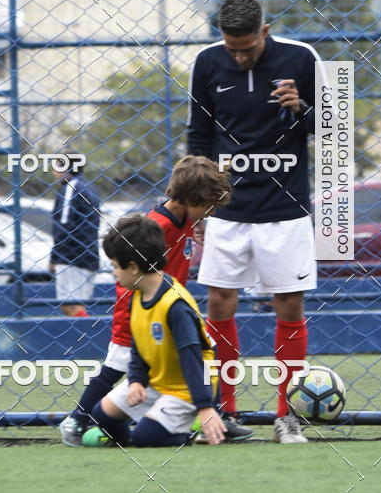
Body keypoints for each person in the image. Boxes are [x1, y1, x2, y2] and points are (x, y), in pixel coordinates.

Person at [187, 0, 326, 444]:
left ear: (265, 32)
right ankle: (225, 411)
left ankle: (287, 416)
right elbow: (199, 133)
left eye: (247, 47)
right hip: (229, 208)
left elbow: (327, 125)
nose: (240, 55)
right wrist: (200, 204)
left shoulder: (301, 58)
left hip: (285, 209)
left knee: (289, 306)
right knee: (219, 304)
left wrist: (300, 108)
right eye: (232, 48)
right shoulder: (207, 63)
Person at [59, 154, 253, 446]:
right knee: (116, 367)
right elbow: (127, 278)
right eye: (208, 207)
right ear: (189, 199)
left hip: (168, 311)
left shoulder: (185, 217)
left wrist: (196, 224)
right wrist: (139, 312)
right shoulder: (157, 226)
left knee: (204, 353)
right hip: (139, 314)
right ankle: (78, 418)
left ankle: (215, 416)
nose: (210, 214)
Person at [88, 215, 227, 447]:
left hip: (188, 390)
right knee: (101, 414)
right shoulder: (138, 295)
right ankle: (125, 441)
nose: (113, 273)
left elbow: (194, 360)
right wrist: (136, 382)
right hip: (156, 383)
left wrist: (205, 407)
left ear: (132, 267)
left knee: (146, 438)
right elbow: (139, 348)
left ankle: (185, 432)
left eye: (114, 266)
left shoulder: (175, 306)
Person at [50, 160, 100, 317]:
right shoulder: (88, 186)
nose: (53, 171)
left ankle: (87, 338)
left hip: (72, 257)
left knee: (71, 306)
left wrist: (55, 257)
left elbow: (65, 226)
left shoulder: (70, 188)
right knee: (76, 305)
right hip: (87, 253)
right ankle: (86, 337)